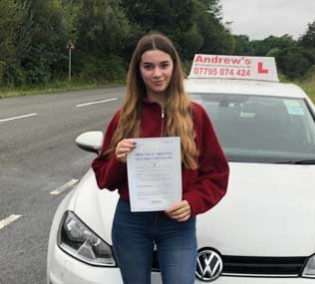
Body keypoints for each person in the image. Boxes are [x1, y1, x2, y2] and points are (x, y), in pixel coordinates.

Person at [92, 33, 229, 284]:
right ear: (138, 71)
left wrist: (193, 202)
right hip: (131, 222)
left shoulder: (195, 115)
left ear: (174, 67)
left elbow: (217, 174)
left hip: (177, 224)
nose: (157, 73)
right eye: (148, 66)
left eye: (164, 65)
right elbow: (104, 177)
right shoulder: (125, 117)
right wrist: (118, 160)